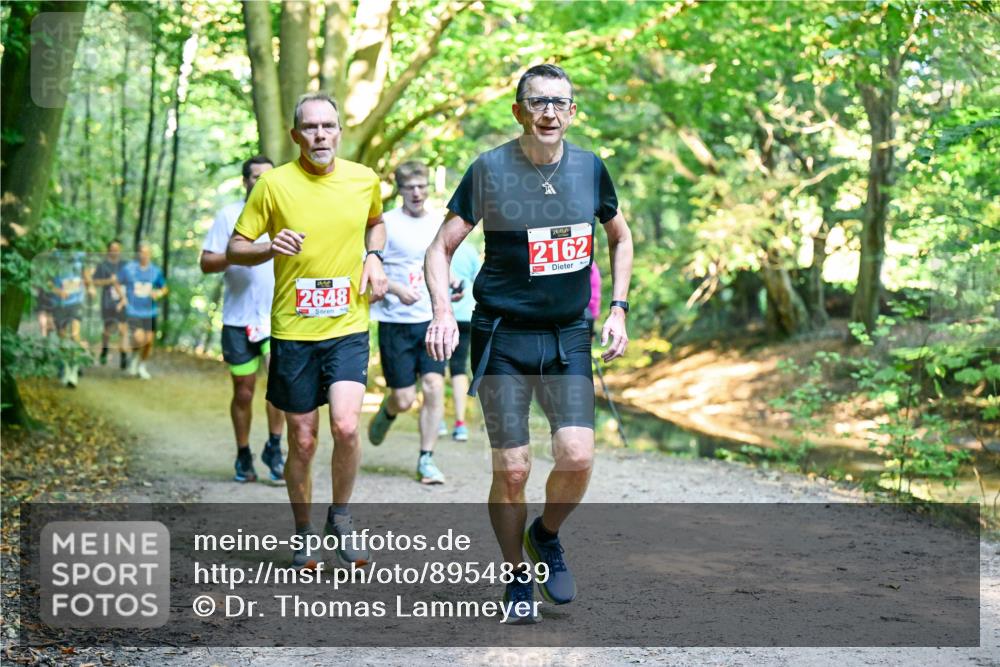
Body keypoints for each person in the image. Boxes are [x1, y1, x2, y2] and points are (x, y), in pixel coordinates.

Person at [424, 64, 634, 623]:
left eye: (559, 102)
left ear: (571, 112)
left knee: (577, 455)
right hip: (503, 336)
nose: (548, 111)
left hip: (567, 336)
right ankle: (517, 576)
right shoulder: (489, 169)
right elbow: (439, 249)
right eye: (537, 102)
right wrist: (443, 312)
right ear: (519, 111)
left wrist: (617, 308)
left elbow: (620, 236)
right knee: (513, 470)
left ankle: (546, 534)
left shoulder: (591, 169)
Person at [226, 92, 388, 569]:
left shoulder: (363, 179)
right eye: (311, 127)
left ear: (339, 132)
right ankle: (303, 531)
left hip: (348, 324)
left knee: (344, 424)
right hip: (294, 329)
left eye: (329, 126)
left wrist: (373, 256)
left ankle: (340, 516)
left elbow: (375, 225)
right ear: (296, 135)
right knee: (302, 439)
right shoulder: (273, 186)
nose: (320, 135)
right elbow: (236, 248)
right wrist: (268, 247)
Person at [201, 155, 286, 484]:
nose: (260, 181)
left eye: (267, 176)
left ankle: (275, 449)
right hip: (238, 320)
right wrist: (245, 252)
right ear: (245, 181)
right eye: (254, 177)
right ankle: (242, 453)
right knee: (244, 392)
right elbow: (207, 263)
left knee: (279, 387)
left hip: (276, 318)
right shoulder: (228, 215)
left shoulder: (285, 211)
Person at [367, 161, 448, 484]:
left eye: (421, 186)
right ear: (399, 190)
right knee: (403, 398)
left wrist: (451, 285)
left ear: (429, 187)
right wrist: (396, 289)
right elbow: (369, 270)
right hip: (395, 321)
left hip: (431, 320)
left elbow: (444, 261)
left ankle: (426, 458)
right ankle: (389, 410)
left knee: (433, 385)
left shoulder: (440, 223)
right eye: (409, 187)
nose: (416, 192)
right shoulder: (384, 223)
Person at [445, 241, 481, 441]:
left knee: (436, 368)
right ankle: (460, 424)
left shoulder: (436, 246)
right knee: (458, 369)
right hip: (466, 316)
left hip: (440, 316)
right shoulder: (470, 250)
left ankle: (438, 420)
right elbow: (479, 283)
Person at [117, 241, 168, 380]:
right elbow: (116, 281)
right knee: (139, 339)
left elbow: (164, 288)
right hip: (133, 311)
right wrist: (123, 298)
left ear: (150, 254)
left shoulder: (155, 271)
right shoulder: (129, 269)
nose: (143, 255)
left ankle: (141, 365)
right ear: (138, 254)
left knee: (149, 341)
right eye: (141, 252)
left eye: (146, 253)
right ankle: (133, 357)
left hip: (150, 312)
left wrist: (159, 293)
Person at [50, 250, 89, 387]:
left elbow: (86, 275)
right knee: (62, 337)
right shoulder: (54, 255)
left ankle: (74, 370)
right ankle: (66, 369)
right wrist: (58, 291)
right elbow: (46, 281)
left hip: (76, 302)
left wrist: (90, 286)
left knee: (75, 335)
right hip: (59, 303)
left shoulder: (81, 255)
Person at [91, 239, 128, 369]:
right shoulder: (103, 265)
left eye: (117, 248)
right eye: (112, 248)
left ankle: (123, 355)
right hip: (108, 302)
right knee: (108, 329)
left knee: (123, 329)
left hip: (122, 300)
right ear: (108, 250)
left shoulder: (125, 265)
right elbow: (94, 282)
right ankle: (104, 350)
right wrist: (109, 281)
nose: (114, 251)